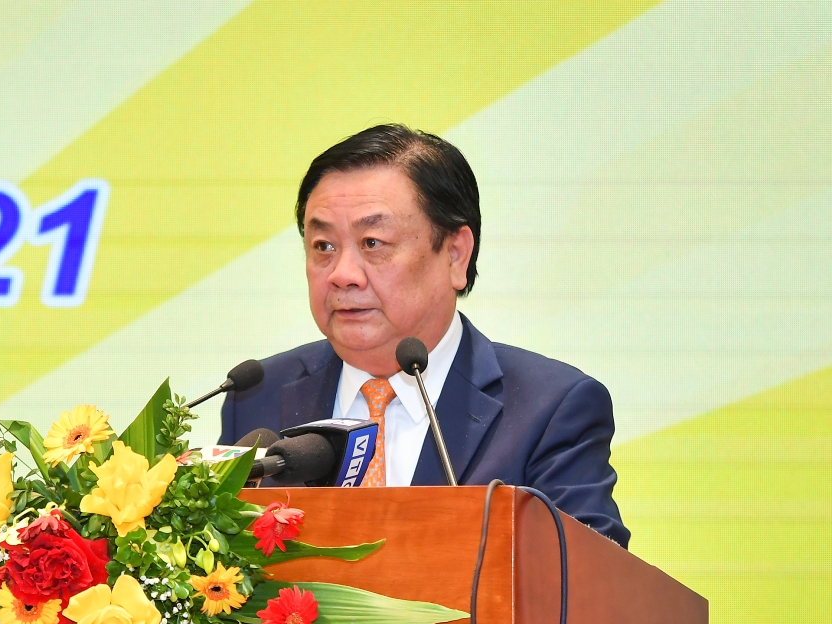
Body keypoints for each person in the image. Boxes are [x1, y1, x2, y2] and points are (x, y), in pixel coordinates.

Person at [219, 124, 629, 548]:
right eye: (324, 246)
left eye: (372, 242)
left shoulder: (550, 409)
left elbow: (589, 578)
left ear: (455, 255)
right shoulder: (255, 397)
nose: (342, 274)